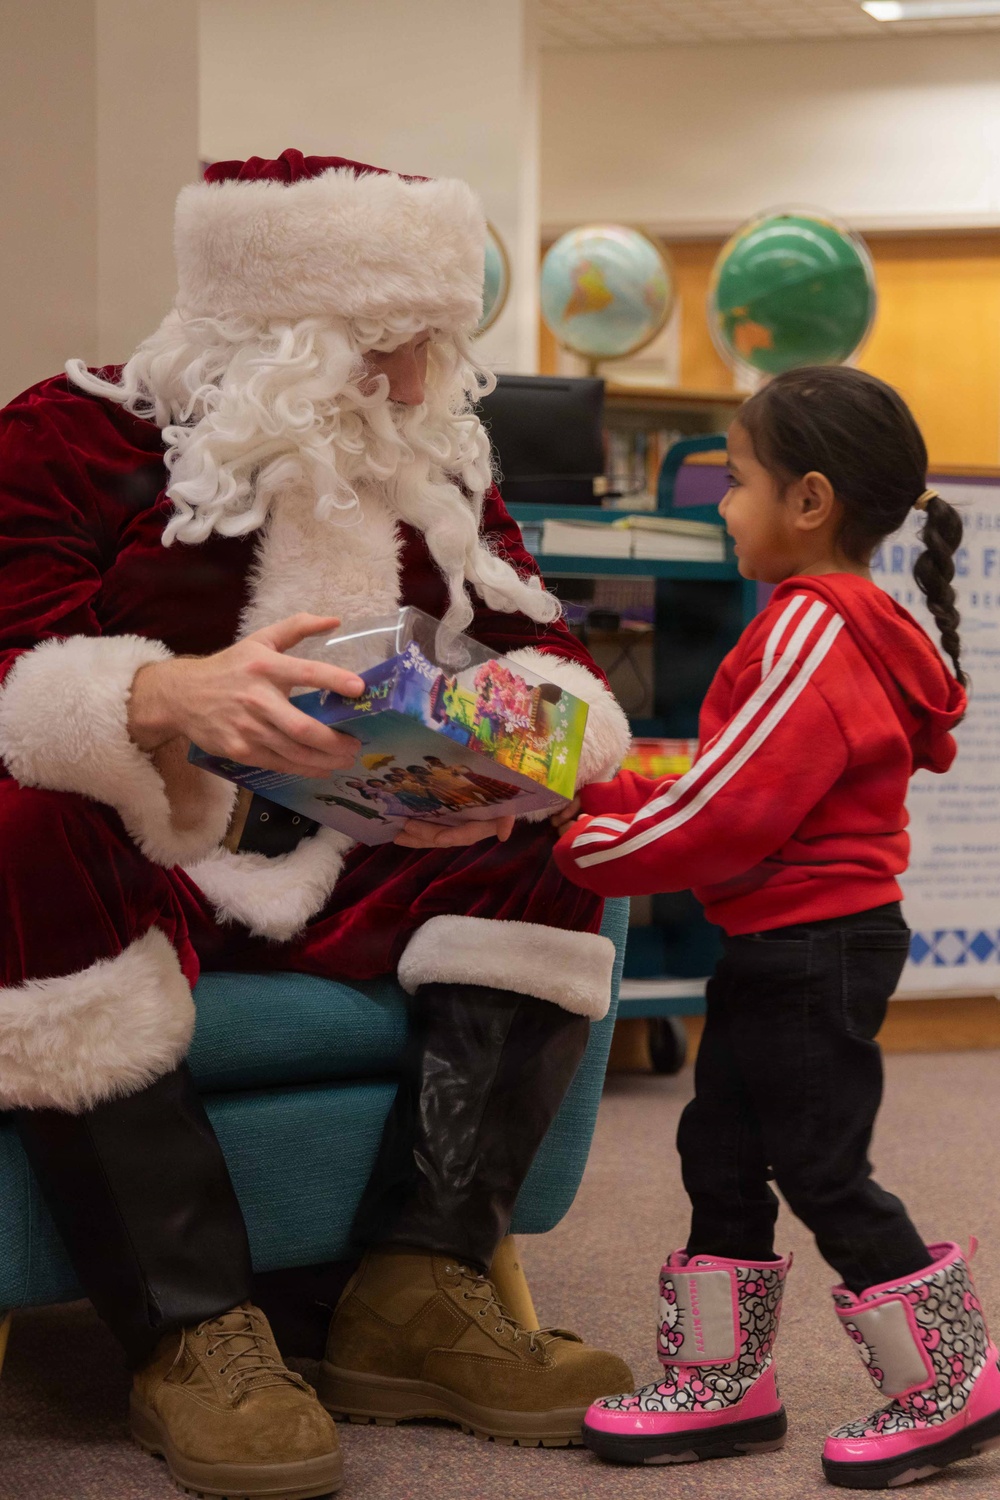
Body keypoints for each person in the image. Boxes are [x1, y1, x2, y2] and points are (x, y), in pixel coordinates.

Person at [0, 150, 634, 1500]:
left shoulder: (433, 459)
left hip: (359, 871)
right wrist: (165, 694)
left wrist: (491, 754)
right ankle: (191, 1332)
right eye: (380, 346)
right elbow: (7, 663)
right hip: (149, 870)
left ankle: (419, 1286)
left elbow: (560, 659)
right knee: (22, 816)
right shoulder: (73, 434)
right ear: (269, 332)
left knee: (566, 821)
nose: (414, 384)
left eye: (430, 346)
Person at [553, 366, 1000, 1489]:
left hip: (814, 943)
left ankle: (954, 1382)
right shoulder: (833, 623)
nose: (720, 503)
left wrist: (585, 843)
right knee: (722, 1148)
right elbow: (728, 784)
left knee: (819, 1163)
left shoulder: (811, 628)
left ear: (809, 500)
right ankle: (721, 1381)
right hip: (792, 938)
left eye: (735, 481)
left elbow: (732, 811)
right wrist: (606, 797)